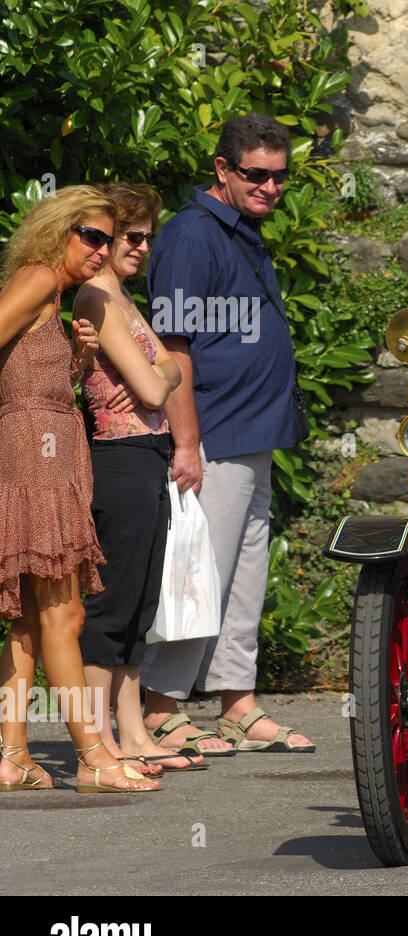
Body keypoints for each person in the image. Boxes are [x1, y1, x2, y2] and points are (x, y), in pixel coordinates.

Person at [140, 113, 315, 754]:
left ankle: (236, 705)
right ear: (223, 170)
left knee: (243, 577)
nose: (270, 187)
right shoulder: (192, 235)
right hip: (212, 433)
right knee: (197, 573)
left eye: (279, 176)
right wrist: (187, 443)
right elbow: (173, 349)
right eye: (255, 175)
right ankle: (160, 708)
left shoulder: (243, 229)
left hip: (254, 432)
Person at [0, 185, 159, 792]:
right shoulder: (39, 276)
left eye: (107, 238)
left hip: (46, 451)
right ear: (57, 230)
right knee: (64, 615)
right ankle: (95, 756)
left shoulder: (58, 297)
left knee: (29, 620)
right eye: (90, 235)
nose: (102, 249)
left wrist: (77, 356)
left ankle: (13, 755)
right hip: (36, 457)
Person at [75, 182, 201, 775]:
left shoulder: (123, 300)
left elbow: (167, 370)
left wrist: (164, 369)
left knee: (140, 605)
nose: (143, 246)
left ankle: (132, 735)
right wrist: (164, 370)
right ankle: (96, 744)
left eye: (148, 236)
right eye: (133, 236)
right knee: (110, 606)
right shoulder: (95, 299)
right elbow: (156, 385)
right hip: (118, 459)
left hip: (145, 453)